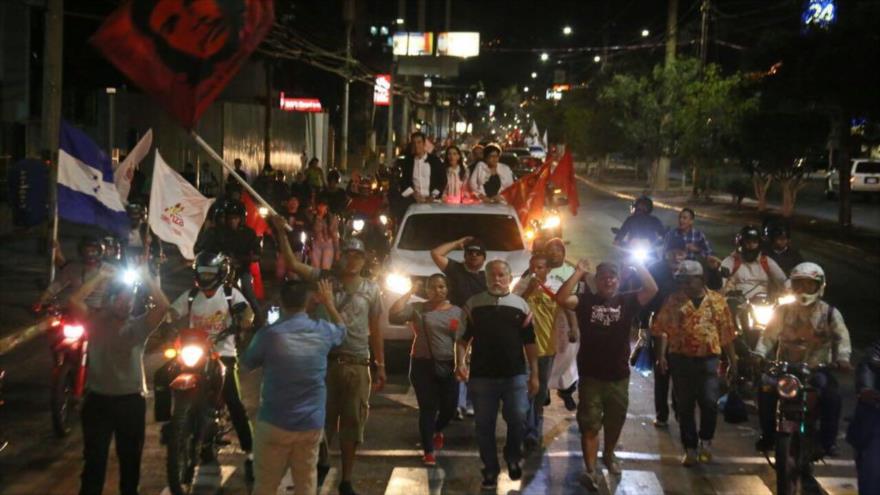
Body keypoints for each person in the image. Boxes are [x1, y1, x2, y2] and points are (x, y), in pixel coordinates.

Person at [272, 216, 385, 495]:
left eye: (358, 255)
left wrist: (380, 364)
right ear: (340, 256)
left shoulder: (372, 289)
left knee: (352, 426)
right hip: (324, 364)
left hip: (358, 364)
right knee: (318, 426)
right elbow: (293, 263)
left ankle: (346, 480)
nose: (353, 260)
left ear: (364, 260)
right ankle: (317, 470)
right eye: (349, 254)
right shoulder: (324, 279)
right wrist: (280, 233)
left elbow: (376, 329)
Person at [556, 259, 657, 491]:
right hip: (591, 375)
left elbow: (652, 289)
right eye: (603, 277)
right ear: (596, 282)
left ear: (618, 280)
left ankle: (609, 454)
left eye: (612, 277)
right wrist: (579, 271)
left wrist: (639, 264)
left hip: (618, 375)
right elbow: (561, 299)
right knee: (589, 424)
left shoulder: (628, 300)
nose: (608, 281)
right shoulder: (585, 301)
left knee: (614, 421)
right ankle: (590, 470)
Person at [242, 279, 346, 495]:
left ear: (280, 301)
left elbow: (246, 362)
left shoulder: (270, 335)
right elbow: (342, 331)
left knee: (265, 485)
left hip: (274, 422)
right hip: (310, 423)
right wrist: (329, 303)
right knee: (306, 481)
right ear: (308, 302)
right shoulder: (322, 331)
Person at [73, 263, 170, 495]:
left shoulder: (138, 326)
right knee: (94, 464)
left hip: (130, 403)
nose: (126, 304)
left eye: (129, 300)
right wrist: (98, 277)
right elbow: (74, 302)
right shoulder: (94, 322)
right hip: (97, 402)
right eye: (121, 300)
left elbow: (163, 306)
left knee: (130, 465)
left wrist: (146, 277)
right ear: (110, 300)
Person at [167, 252, 256, 480]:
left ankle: (251, 451)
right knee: (162, 378)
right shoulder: (190, 296)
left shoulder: (229, 294)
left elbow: (248, 314)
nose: (206, 277)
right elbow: (171, 313)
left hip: (222, 353)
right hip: (193, 354)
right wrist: (165, 322)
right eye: (202, 272)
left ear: (220, 273)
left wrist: (242, 320)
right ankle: (174, 427)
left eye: (210, 273)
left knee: (234, 402)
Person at [455, 260, 539, 491]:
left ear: (509, 277)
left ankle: (512, 456)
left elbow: (530, 343)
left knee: (518, 418)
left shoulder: (520, 306)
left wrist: (535, 375)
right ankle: (490, 469)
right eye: (492, 275)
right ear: (485, 278)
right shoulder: (473, 305)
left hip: (514, 376)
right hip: (482, 377)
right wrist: (460, 362)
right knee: (484, 426)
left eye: (502, 275)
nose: (497, 279)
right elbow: (462, 340)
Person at [754, 262, 852, 458]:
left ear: (819, 286)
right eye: (799, 284)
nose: (804, 289)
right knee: (765, 390)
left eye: (809, 285)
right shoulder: (782, 311)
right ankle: (768, 435)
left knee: (832, 397)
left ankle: (828, 443)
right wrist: (759, 355)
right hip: (785, 368)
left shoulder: (829, 312)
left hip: (817, 369)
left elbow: (842, 338)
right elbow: (768, 336)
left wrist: (842, 358)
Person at [652, 260, 738, 466]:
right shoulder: (674, 301)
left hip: (709, 360)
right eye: (681, 281)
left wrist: (734, 362)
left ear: (701, 279)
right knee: (685, 406)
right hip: (680, 360)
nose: (685, 285)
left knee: (709, 402)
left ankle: (706, 440)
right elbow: (662, 329)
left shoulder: (718, 301)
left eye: (689, 281)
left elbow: (726, 334)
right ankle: (690, 447)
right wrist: (661, 356)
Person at [389, 274, 464, 466]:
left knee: (449, 408)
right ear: (427, 290)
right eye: (432, 287)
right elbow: (394, 314)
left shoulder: (457, 312)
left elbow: (462, 341)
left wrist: (462, 364)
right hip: (422, 364)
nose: (437, 291)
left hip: (449, 364)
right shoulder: (418, 309)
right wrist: (410, 292)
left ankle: (437, 429)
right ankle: (428, 450)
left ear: (447, 289)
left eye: (441, 287)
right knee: (428, 408)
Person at [431, 236, 489, 418]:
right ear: (465, 254)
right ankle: (457, 403)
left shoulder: (486, 277)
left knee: (477, 365)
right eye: (470, 252)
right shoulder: (455, 269)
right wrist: (456, 243)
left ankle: (471, 403)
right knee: (456, 362)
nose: (473, 256)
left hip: (479, 326)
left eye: (478, 253)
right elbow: (436, 253)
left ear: (483, 258)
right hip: (457, 323)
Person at [512, 254, 561, 451]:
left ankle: (535, 422)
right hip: (525, 347)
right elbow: (513, 308)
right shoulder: (521, 285)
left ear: (548, 269)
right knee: (527, 390)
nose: (536, 271)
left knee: (540, 391)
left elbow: (566, 308)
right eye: (533, 267)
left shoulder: (556, 286)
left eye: (540, 267)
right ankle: (530, 431)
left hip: (547, 347)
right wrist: (528, 291)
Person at [641, 236, 688, 427]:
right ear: (666, 254)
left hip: (684, 331)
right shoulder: (655, 270)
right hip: (659, 329)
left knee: (681, 373)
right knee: (662, 371)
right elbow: (645, 299)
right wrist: (644, 327)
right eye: (673, 253)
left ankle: (680, 410)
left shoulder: (689, 272)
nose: (677, 257)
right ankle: (662, 414)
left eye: (681, 253)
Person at [194, 200, 263, 322]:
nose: (232, 221)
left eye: (235, 218)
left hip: (241, 270)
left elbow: (256, 253)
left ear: (241, 219)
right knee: (203, 287)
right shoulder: (216, 232)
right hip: (220, 270)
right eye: (230, 218)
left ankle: (259, 321)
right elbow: (204, 248)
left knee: (248, 291)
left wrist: (243, 258)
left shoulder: (249, 233)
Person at [542, 238, 580, 411]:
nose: (554, 253)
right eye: (550, 249)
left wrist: (573, 327)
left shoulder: (571, 272)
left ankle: (566, 391)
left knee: (566, 358)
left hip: (564, 322)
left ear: (564, 254)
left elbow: (571, 302)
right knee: (545, 358)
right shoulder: (538, 269)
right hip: (542, 322)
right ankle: (544, 391)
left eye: (558, 250)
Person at [36, 236, 107, 311]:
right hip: (74, 309)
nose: (90, 254)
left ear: (100, 251)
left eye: (93, 250)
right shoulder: (72, 268)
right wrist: (42, 299)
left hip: (97, 312)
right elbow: (56, 285)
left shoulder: (110, 270)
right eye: (86, 251)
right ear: (81, 252)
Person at [716, 226, 787, 297]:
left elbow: (783, 280)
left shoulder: (766, 261)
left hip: (763, 303)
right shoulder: (731, 260)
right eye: (748, 242)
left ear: (759, 244)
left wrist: (789, 290)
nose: (751, 245)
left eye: (755, 242)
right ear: (741, 244)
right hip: (735, 302)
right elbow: (720, 281)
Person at [849, 340, 880, 494]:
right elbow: (868, 365)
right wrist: (866, 389)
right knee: (872, 469)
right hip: (876, 412)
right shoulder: (876, 351)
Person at [392, 132, 447, 219]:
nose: (416, 145)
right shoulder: (407, 162)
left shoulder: (435, 161)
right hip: (413, 203)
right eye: (414, 143)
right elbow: (403, 181)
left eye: (419, 142)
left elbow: (442, 181)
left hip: (433, 203)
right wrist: (414, 194)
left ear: (424, 144)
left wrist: (432, 196)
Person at [309, 198, 340, 270]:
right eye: (319, 205)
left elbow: (335, 235)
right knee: (315, 267)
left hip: (328, 244)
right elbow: (314, 231)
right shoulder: (313, 217)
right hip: (316, 244)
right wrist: (318, 218)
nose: (321, 207)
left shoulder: (332, 218)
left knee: (325, 268)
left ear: (327, 207)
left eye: (323, 205)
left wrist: (337, 250)